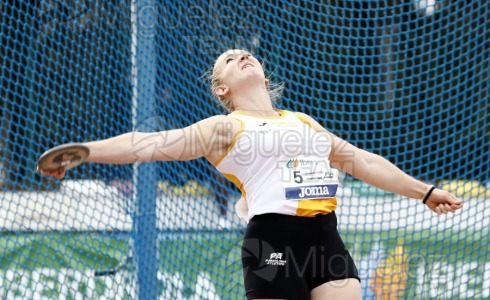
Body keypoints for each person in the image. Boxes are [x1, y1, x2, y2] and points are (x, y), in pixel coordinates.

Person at [38, 49, 463, 300]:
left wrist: (424, 192)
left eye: (246, 53)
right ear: (222, 89)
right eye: (228, 60)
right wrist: (86, 152)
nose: (242, 55)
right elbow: (148, 144)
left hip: (326, 238)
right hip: (273, 241)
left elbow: (364, 161)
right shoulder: (224, 128)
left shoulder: (304, 122)